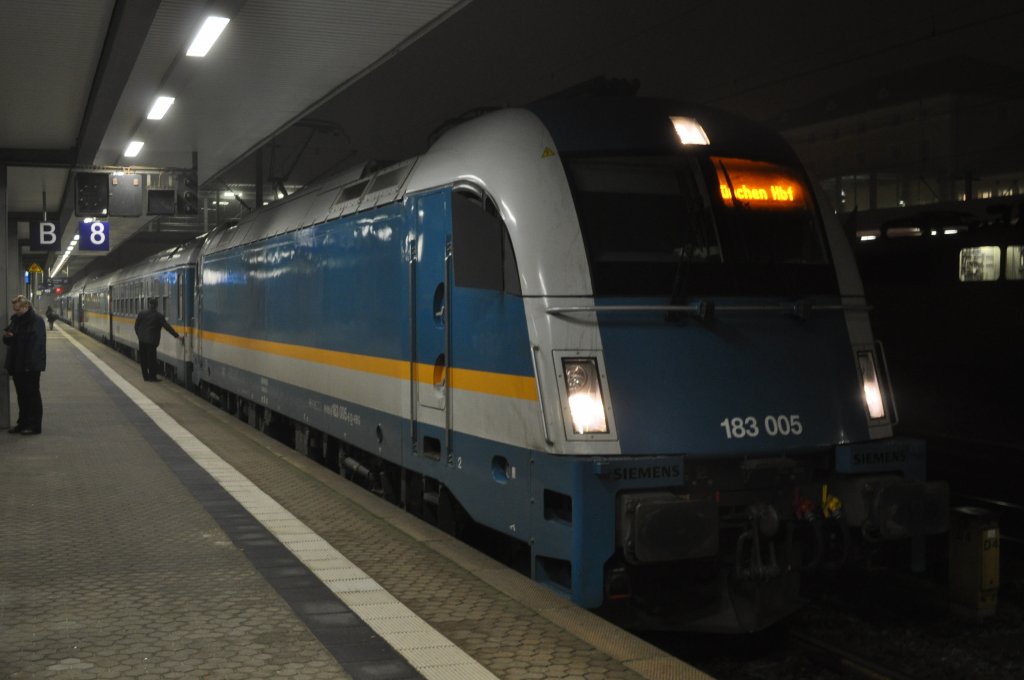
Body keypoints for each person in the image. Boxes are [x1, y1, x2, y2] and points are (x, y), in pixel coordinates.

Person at [3, 295, 46, 435]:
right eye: (14, 310)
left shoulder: (36, 321)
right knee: (21, 396)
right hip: (18, 365)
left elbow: (36, 345)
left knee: (32, 395)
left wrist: (30, 365)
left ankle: (34, 426)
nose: (16, 312)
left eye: (18, 310)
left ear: (26, 306)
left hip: (30, 366)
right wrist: (7, 337)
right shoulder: (16, 320)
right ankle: (22, 423)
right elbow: (11, 339)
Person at [134, 298, 181, 382]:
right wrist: (176, 335)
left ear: (149, 304)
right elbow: (167, 327)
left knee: (143, 359)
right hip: (151, 341)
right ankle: (152, 377)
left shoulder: (142, 313)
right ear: (156, 306)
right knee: (152, 359)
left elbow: (136, 326)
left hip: (142, 340)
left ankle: (145, 377)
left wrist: (139, 335)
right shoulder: (158, 316)